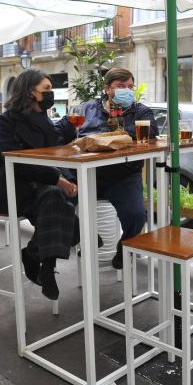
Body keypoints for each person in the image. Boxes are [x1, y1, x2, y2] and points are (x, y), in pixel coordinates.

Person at [0, 69, 79, 300]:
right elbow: (16, 163)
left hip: (42, 188)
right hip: (13, 187)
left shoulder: (43, 118)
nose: (50, 93)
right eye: (47, 89)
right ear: (31, 91)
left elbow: (53, 153)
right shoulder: (8, 120)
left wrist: (69, 179)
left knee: (55, 197)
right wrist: (58, 179)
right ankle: (71, 234)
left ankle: (38, 256)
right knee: (56, 197)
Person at [55, 67, 159, 269]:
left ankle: (125, 245)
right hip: (85, 176)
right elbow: (60, 132)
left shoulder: (140, 110)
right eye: (121, 86)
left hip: (123, 174)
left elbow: (151, 133)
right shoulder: (86, 108)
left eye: (130, 86)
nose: (127, 90)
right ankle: (84, 238)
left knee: (136, 216)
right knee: (55, 201)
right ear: (107, 89)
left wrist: (105, 136)